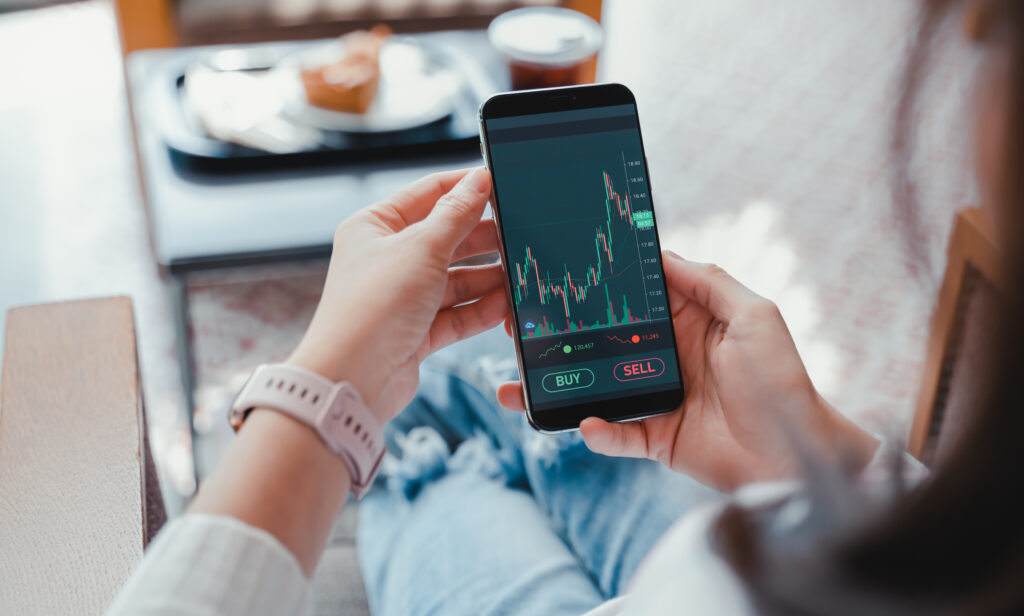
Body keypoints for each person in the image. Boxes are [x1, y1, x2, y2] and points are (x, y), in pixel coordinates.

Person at [106, 0, 1024, 613]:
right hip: (802, 540)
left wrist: (320, 390)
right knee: (511, 383)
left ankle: (426, 460)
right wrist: (808, 449)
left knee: (437, 439)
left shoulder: (732, 579)